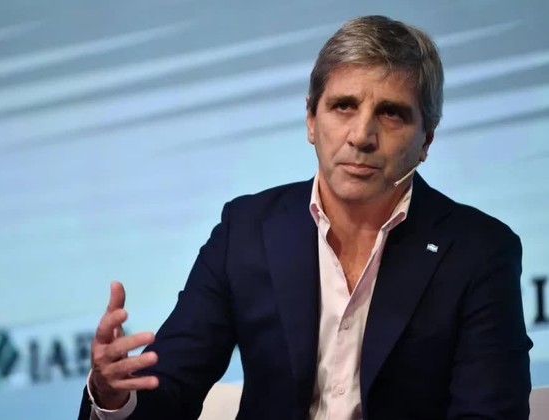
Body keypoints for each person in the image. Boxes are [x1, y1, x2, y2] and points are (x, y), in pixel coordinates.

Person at [77, 15, 532, 420]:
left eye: (391, 113)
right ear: (311, 120)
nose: (362, 136)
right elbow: (170, 388)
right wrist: (114, 396)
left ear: (426, 141)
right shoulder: (246, 230)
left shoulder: (478, 251)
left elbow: (489, 410)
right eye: (344, 106)